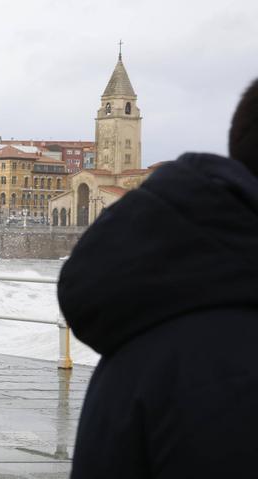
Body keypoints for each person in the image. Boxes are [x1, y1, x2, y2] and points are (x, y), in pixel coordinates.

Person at [59, 79, 258, 478]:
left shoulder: (137, 332)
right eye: (115, 105)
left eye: (123, 106)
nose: (119, 110)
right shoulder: (230, 362)